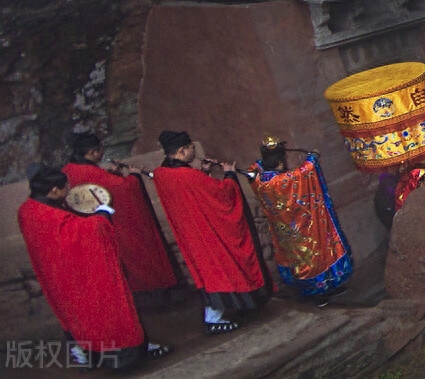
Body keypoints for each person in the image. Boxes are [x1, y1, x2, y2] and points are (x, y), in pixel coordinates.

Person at [18, 164, 171, 368]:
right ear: (53, 191)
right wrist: (102, 214)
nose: (69, 189)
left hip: (57, 275)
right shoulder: (52, 216)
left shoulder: (27, 210)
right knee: (105, 309)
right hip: (81, 275)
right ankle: (127, 355)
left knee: (77, 319)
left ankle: (87, 355)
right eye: (65, 187)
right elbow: (84, 232)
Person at [152, 131, 270, 333]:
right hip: (205, 231)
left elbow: (195, 194)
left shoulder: (162, 173)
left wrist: (203, 173)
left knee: (208, 274)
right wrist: (230, 174)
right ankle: (213, 318)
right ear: (182, 150)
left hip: (190, 232)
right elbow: (221, 193)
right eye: (191, 149)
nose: (194, 152)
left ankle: (214, 315)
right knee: (220, 270)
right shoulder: (188, 175)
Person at [63, 132, 177, 295]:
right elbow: (123, 189)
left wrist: (113, 173)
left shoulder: (68, 170)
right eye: (100, 151)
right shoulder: (91, 172)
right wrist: (134, 176)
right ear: (91, 153)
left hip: (85, 229)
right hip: (108, 225)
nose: (101, 154)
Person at [249, 137, 353, 304]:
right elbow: (305, 172)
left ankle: (326, 288)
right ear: (280, 163)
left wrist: (270, 151)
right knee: (311, 259)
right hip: (302, 228)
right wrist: (312, 157)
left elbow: (255, 166)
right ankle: (315, 294)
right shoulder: (282, 181)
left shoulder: (258, 180)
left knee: (300, 259)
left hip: (285, 231)